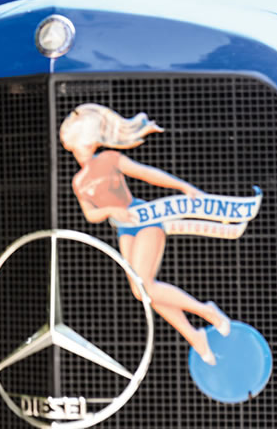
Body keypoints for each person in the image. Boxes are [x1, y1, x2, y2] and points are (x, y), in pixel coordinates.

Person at [59, 103, 230, 365]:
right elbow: (90, 215)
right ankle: (196, 336)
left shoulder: (110, 160)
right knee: (143, 292)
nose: (78, 152)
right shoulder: (79, 182)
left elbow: (148, 174)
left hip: (144, 218)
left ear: (92, 142)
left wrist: (184, 187)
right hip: (124, 227)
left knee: (144, 286)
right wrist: (110, 209)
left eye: (81, 145)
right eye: (73, 148)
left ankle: (207, 311)